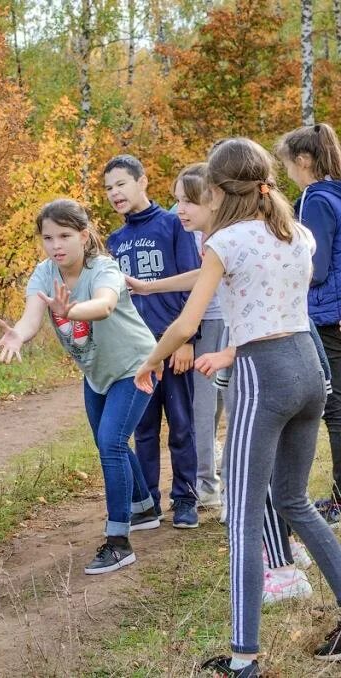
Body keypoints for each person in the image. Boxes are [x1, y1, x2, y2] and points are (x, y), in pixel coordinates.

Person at [133, 138, 341, 675]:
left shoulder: (226, 240)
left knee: (243, 517)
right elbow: (238, 287)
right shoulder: (296, 232)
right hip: (307, 370)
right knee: (294, 500)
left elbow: (187, 322)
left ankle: (244, 658)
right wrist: (153, 283)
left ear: (221, 191)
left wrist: (151, 361)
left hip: (262, 374)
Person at [0, 199, 158, 574]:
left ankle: (119, 541)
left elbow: (104, 306)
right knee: (108, 438)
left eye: (64, 236)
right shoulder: (44, 273)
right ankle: (144, 506)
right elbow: (32, 315)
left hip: (137, 366)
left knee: (110, 442)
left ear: (84, 236)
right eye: (48, 238)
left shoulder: (103, 268)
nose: (56, 245)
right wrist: (17, 335)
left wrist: (71, 311)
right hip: (97, 373)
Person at [104, 154, 202, 529]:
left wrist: (187, 340)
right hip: (136, 353)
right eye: (109, 188)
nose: (115, 193)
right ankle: (148, 502)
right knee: (142, 429)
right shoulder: (115, 241)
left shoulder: (172, 224)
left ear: (142, 181)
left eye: (121, 184)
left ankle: (185, 499)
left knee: (181, 424)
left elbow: (193, 283)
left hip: (172, 342)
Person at [276, 123, 341, 526]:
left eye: (287, 165)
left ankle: (339, 498)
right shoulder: (335, 192)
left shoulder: (315, 199)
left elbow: (313, 267)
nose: (287, 174)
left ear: (303, 160)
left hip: (325, 313)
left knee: (335, 408)